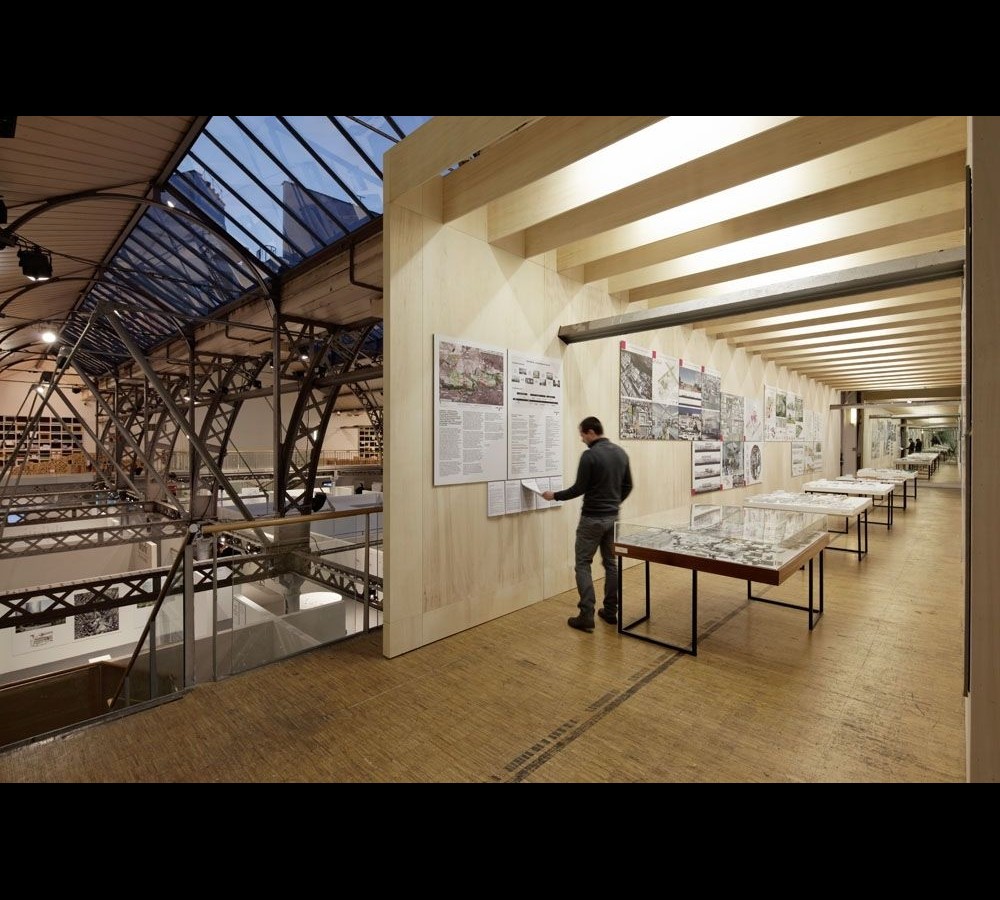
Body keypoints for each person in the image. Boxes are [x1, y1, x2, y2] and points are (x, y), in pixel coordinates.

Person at [542, 416, 633, 633]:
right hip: (613, 518)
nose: (582, 439)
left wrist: (554, 495)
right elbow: (628, 485)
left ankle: (586, 615)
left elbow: (579, 488)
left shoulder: (589, 456)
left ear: (591, 432)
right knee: (611, 564)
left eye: (582, 435)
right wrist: (613, 503)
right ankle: (611, 612)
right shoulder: (621, 453)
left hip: (591, 519)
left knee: (583, 564)